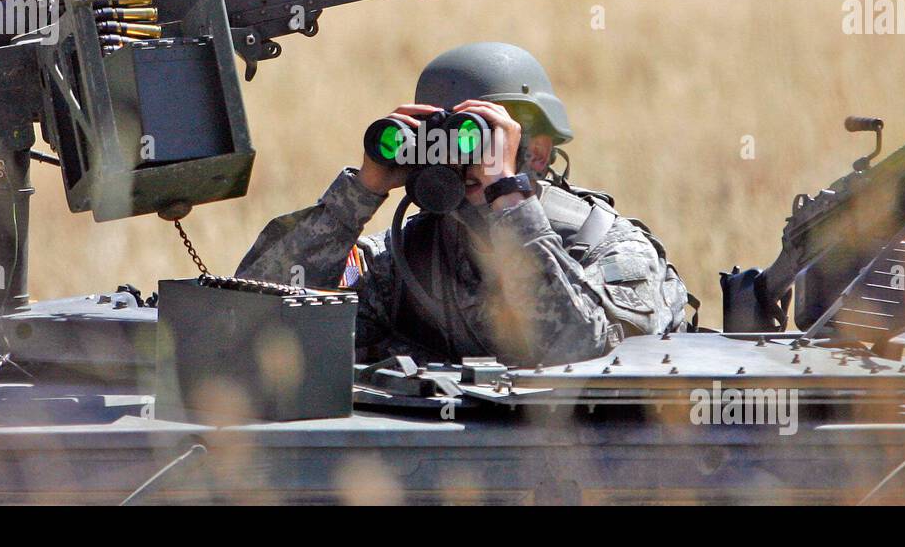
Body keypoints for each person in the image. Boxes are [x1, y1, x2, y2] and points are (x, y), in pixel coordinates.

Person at [237, 42, 690, 366]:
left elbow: (575, 347)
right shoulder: (407, 257)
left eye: (478, 140)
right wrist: (362, 191)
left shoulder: (610, 248)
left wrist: (508, 196)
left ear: (535, 152)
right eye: (446, 142)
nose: (461, 159)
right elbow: (255, 315)